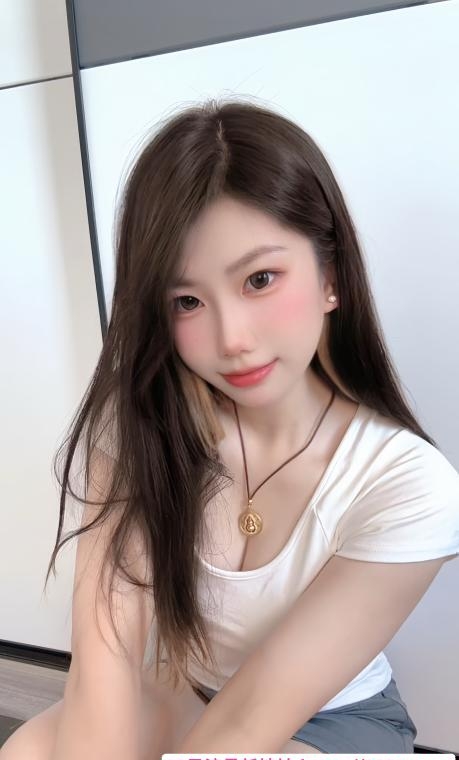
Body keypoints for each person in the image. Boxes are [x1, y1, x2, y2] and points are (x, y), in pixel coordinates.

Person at [3, 98, 459, 760]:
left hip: (330, 721)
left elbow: (249, 722)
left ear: (330, 278)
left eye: (260, 279)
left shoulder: (409, 486)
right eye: (187, 301)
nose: (231, 339)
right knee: (31, 751)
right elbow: (104, 661)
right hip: (188, 695)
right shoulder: (144, 432)